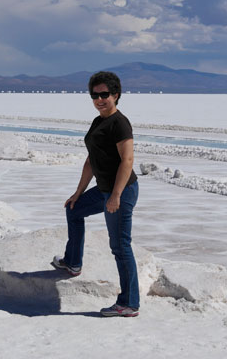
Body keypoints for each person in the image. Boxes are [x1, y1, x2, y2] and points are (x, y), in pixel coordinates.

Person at [51, 71, 140, 317]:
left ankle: (129, 303)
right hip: (103, 190)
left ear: (116, 95)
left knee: (120, 246)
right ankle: (73, 262)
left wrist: (116, 195)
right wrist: (78, 192)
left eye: (105, 95)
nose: (100, 99)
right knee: (74, 209)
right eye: (95, 95)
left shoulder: (119, 123)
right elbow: (91, 160)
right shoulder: (98, 121)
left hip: (120, 191)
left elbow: (128, 160)